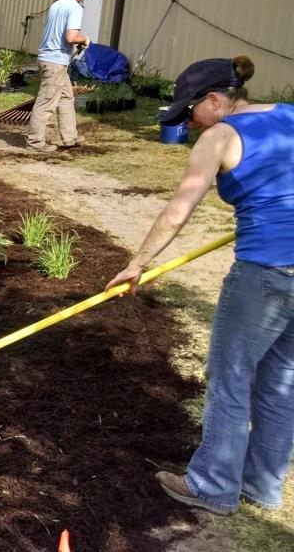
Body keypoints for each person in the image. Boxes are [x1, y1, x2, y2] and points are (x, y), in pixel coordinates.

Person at [105, 56, 294, 515]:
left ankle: (213, 485)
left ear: (215, 100)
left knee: (230, 379)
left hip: (265, 273)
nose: (188, 122)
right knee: (281, 380)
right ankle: (264, 485)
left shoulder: (221, 136)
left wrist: (137, 263)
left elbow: (178, 211)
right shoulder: (290, 116)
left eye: (191, 111)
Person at [26, 0, 92, 152]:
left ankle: (70, 138)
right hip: (55, 61)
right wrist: (84, 39)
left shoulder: (56, 5)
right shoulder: (76, 8)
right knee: (46, 102)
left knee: (66, 98)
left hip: (49, 58)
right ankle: (35, 142)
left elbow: (60, 33)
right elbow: (71, 36)